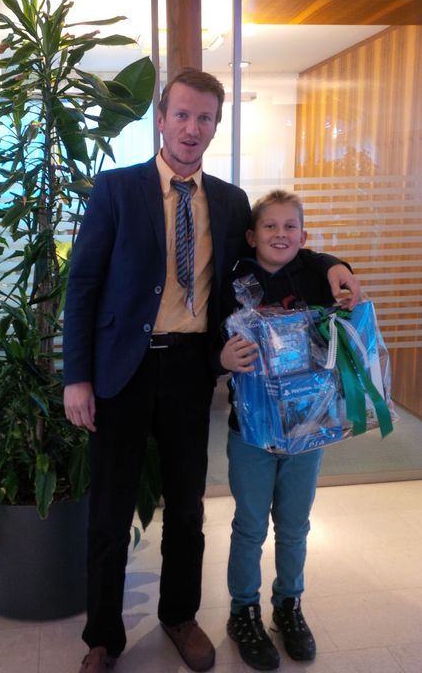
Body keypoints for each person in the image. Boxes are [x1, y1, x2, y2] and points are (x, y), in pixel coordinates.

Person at [63, 69, 360, 673]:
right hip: (120, 372)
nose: (191, 128)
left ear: (215, 126)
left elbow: (276, 249)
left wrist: (333, 262)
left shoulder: (227, 202)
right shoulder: (117, 189)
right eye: (182, 114)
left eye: (204, 118)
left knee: (187, 507)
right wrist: (77, 377)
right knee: (110, 511)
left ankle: (179, 615)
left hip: (190, 370)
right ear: (161, 119)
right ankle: (103, 636)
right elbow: (83, 285)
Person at [220, 189, 351, 671]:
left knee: (294, 526)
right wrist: (221, 357)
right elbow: (210, 335)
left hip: (306, 428)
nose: (281, 234)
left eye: (290, 226)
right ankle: (243, 611)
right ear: (252, 235)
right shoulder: (233, 280)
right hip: (250, 431)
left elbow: (339, 320)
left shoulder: (314, 275)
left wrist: (339, 267)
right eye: (270, 226)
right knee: (250, 526)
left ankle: (288, 605)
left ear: (303, 235)